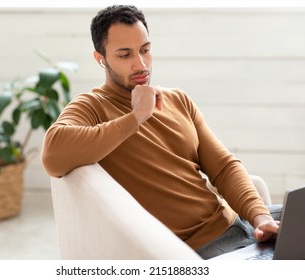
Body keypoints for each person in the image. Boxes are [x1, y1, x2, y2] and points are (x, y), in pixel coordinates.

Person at [41, 4, 280, 259]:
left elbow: (223, 167)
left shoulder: (178, 99)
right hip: (208, 247)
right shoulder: (93, 106)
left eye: (145, 50)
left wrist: (260, 216)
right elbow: (53, 156)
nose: (141, 64)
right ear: (100, 59)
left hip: (240, 223)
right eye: (125, 55)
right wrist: (137, 117)